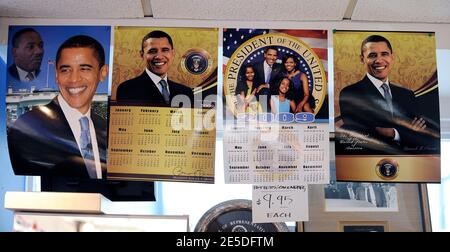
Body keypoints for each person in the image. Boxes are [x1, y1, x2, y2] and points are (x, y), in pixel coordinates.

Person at [8, 35, 108, 179]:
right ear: (56, 75)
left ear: (102, 73)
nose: (74, 79)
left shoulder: (105, 127)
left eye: (84, 69)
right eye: (65, 70)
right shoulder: (28, 127)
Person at [338, 35, 438, 153]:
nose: (379, 60)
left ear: (392, 57)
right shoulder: (350, 93)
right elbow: (359, 134)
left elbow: (423, 136)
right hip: (365, 161)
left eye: (384, 54)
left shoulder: (407, 95)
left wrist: (393, 133)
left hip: (408, 162)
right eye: (372, 55)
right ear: (362, 59)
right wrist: (408, 131)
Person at [116, 30, 194, 106]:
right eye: (152, 51)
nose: (159, 57)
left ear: (173, 53)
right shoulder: (127, 89)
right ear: (142, 55)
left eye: (165, 50)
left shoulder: (186, 92)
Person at [252, 46, 283, 112]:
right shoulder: (256, 66)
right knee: (264, 92)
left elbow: (279, 83)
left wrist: (267, 85)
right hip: (258, 94)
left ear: (277, 57)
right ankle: (264, 115)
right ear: (265, 55)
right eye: (269, 55)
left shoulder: (279, 67)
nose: (272, 58)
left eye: (274, 55)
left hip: (273, 93)